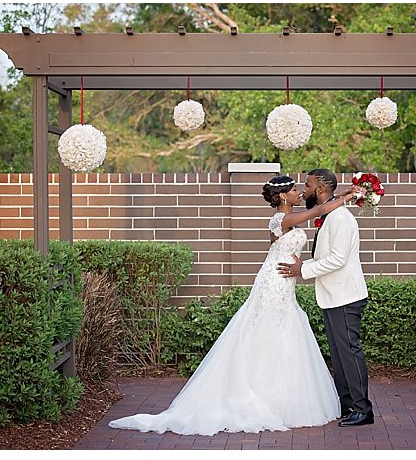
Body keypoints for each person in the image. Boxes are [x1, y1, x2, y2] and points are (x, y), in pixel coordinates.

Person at [108, 175, 365, 436]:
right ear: (283, 196)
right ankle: (263, 395)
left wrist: (341, 195)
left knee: (283, 333)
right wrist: (347, 197)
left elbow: (321, 208)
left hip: (285, 281)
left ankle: (281, 396)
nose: (300, 192)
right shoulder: (281, 220)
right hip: (274, 280)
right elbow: (319, 209)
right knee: (268, 331)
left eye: (303, 188)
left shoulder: (292, 217)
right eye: (295, 189)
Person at [277, 168, 374, 427]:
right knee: (340, 355)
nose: (304, 189)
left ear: (320, 189)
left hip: (345, 296)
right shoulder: (330, 213)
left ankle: (363, 409)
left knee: (349, 353)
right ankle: (348, 405)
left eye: (307, 185)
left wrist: (303, 269)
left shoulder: (341, 219)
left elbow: (338, 260)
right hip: (333, 296)